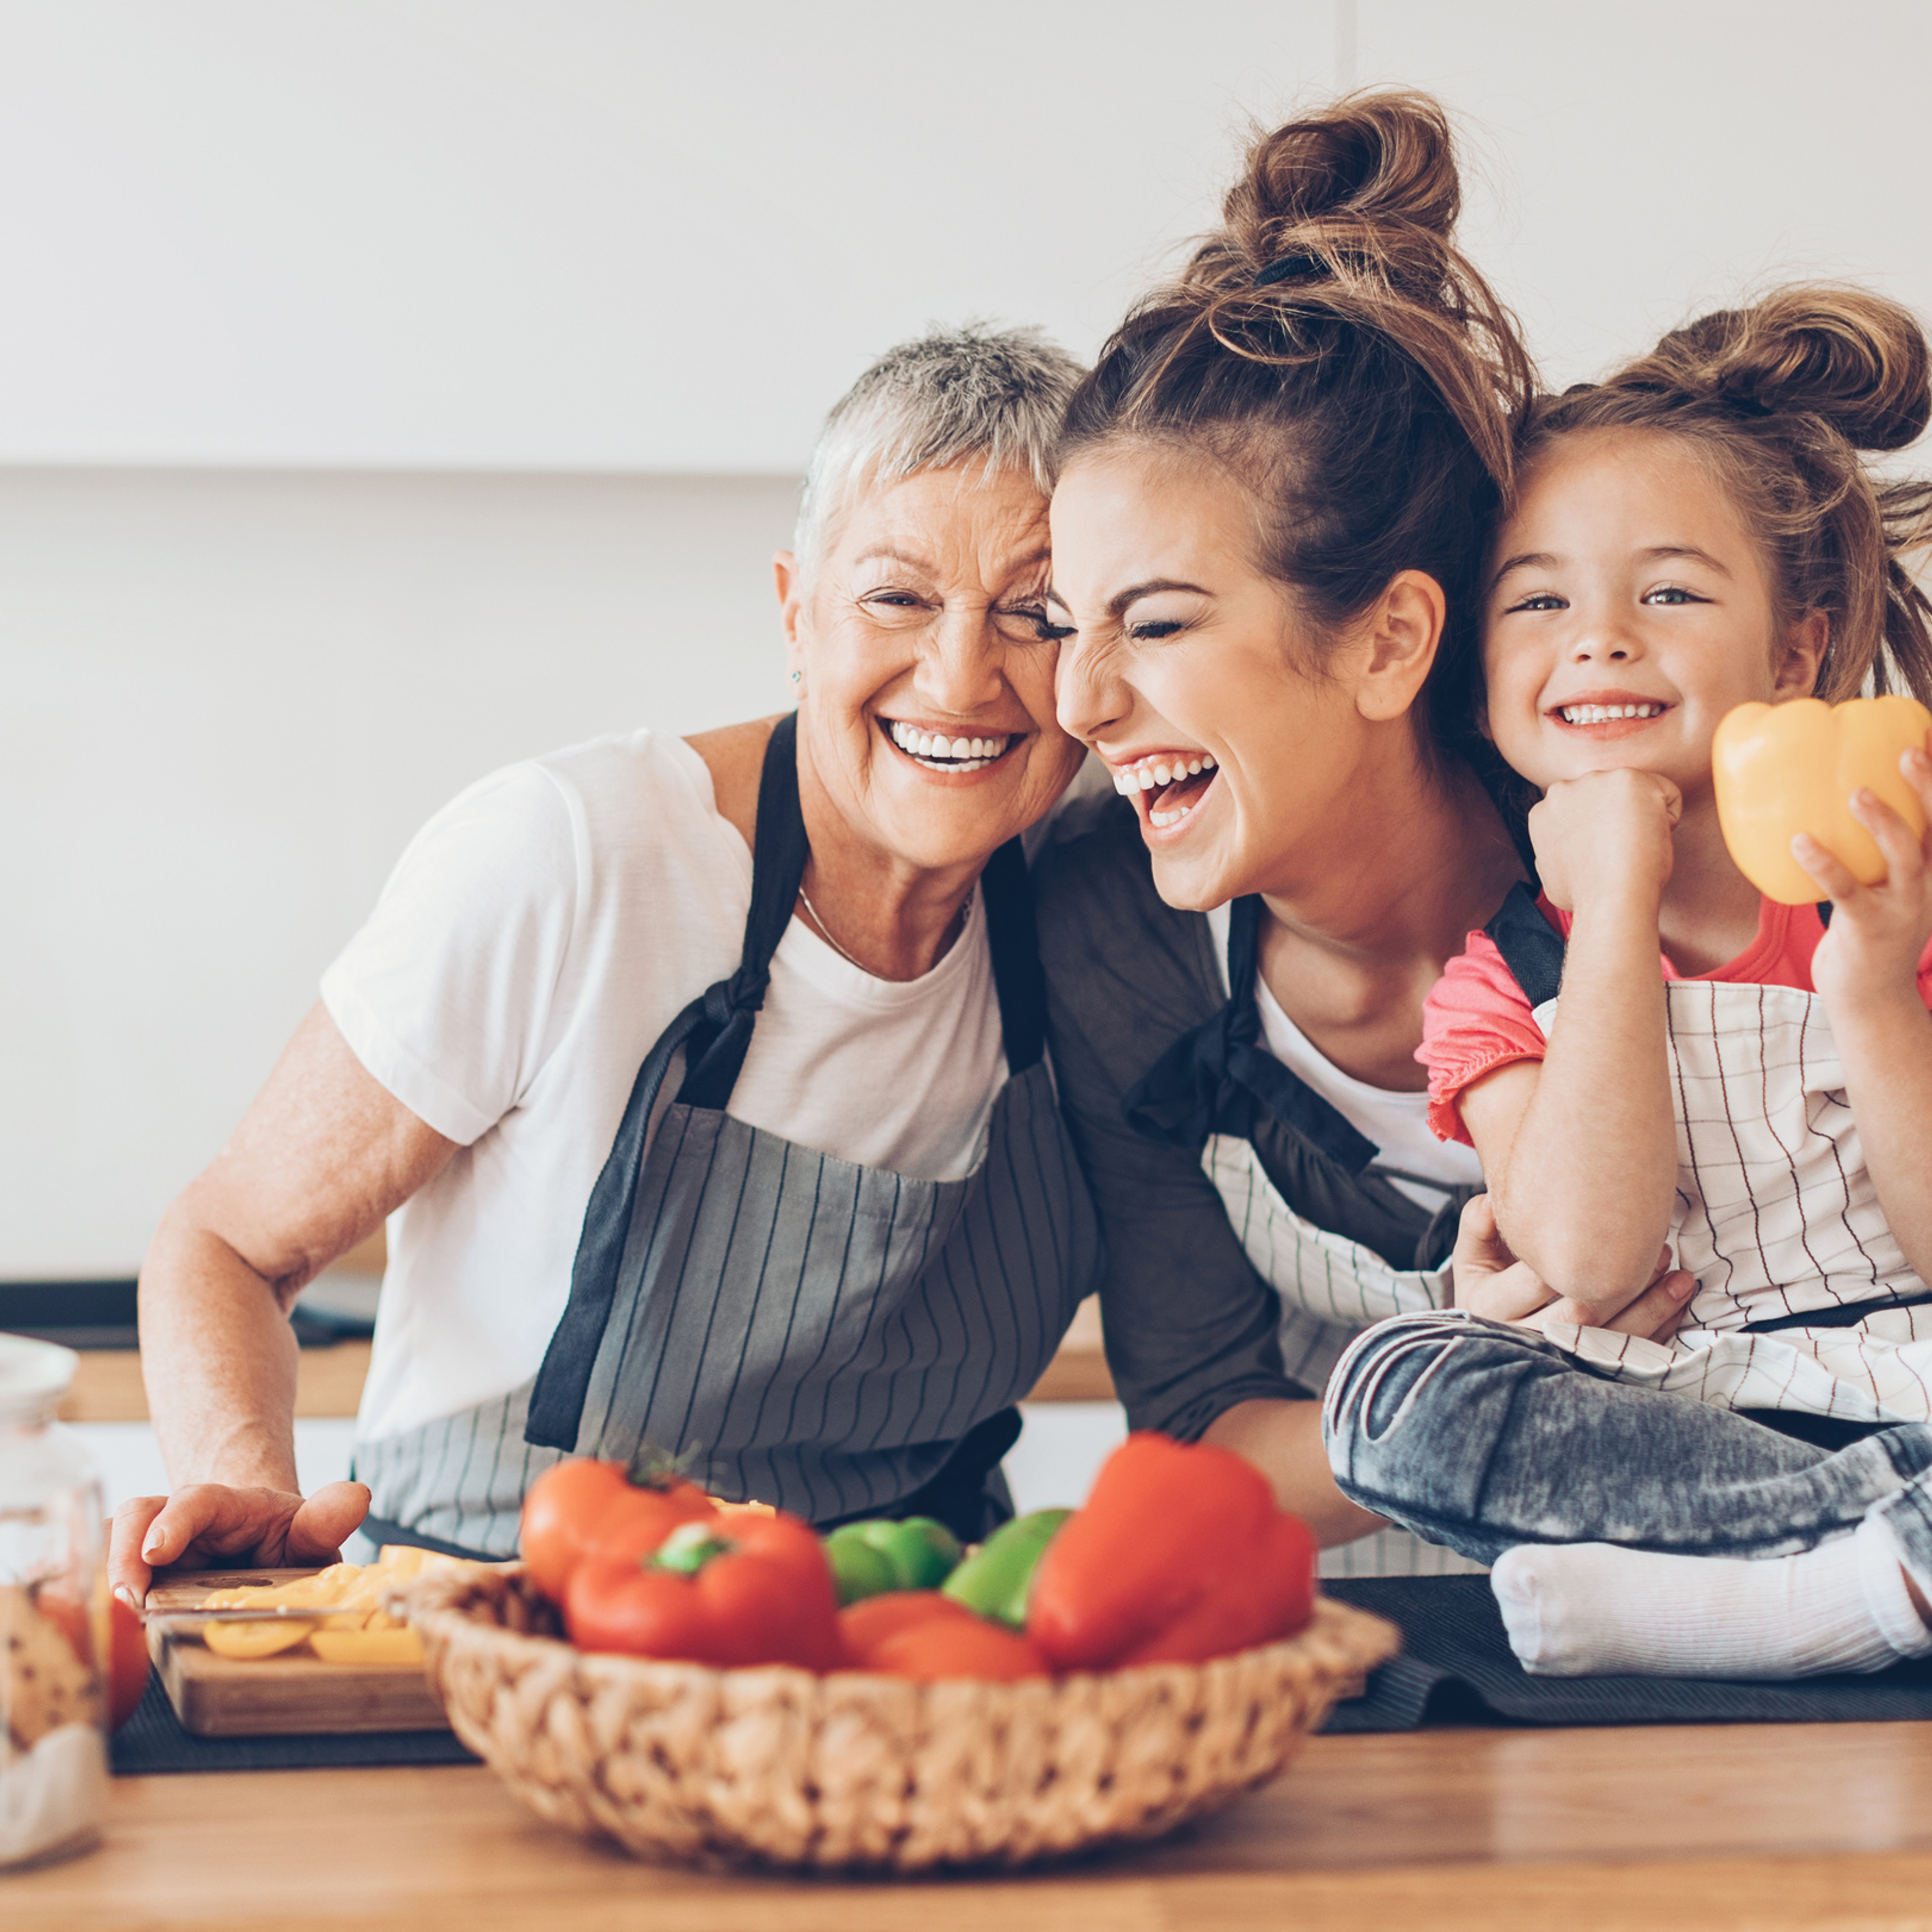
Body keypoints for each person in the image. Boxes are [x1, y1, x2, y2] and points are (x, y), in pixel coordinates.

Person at [110, 325, 1103, 1603]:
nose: (963, 674)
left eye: (1037, 613)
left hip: (909, 1631)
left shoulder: (1109, 907)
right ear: (795, 610)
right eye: (896, 597)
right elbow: (225, 1241)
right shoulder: (574, 855)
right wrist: (252, 1484)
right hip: (493, 1622)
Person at [1036, 90, 1693, 1576]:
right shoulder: (1112, 933)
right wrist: (1450, 1368)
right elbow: (1199, 1423)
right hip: (1344, 1692)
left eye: (1153, 623)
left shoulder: (1663, 861)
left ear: (1388, 641)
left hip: (1732, 1655)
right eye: (1067, 624)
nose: (1079, 697)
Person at [1327, 285, 1932, 1678]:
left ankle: (1762, 1603)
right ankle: (1859, 1564)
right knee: (1390, 1389)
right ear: (1477, 670)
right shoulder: (1497, 982)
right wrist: (1609, 908)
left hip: (1907, 1376)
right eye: (1536, 599)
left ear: (1793, 651)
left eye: (1666, 591)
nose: (1596, 636)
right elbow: (1593, 1261)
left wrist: (1875, 985)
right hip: (1680, 1425)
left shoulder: (1897, 897)